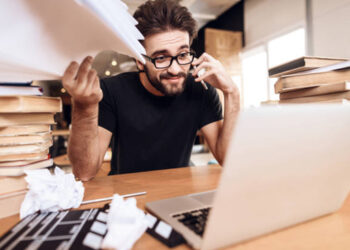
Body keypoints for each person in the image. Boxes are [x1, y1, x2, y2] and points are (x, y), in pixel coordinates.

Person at [62, 0, 240, 181]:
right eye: (161, 57)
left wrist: (232, 92)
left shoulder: (201, 91)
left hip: (179, 187)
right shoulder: (111, 91)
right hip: (126, 193)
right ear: (139, 60)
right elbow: (84, 172)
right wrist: (84, 108)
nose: (176, 69)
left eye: (183, 55)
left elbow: (227, 159)